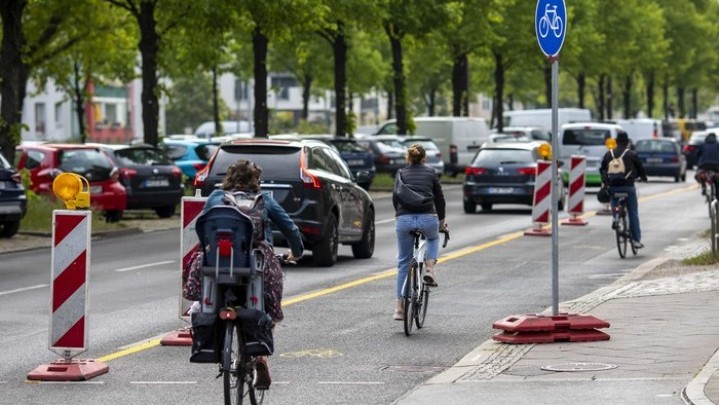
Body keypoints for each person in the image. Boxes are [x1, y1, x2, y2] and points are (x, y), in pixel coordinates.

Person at [202, 159, 303, 390]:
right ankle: (260, 356)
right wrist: (295, 253)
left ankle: (216, 337)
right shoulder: (264, 199)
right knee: (268, 301)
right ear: (256, 180)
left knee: (210, 292)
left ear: (229, 178)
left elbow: (202, 226)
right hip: (257, 262)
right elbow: (290, 228)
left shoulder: (216, 198)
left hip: (219, 263)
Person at [392, 144, 447, 321]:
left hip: (404, 219)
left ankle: (399, 309)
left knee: (403, 263)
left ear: (408, 158)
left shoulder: (400, 172)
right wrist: (442, 222)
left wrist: (399, 215)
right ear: (424, 158)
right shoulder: (431, 173)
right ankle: (429, 269)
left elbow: (396, 197)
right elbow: (440, 198)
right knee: (432, 238)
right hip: (427, 217)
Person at [599, 131, 648, 249]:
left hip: (613, 187)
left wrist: (606, 182)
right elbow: (640, 169)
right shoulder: (632, 154)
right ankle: (636, 241)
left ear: (616, 142)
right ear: (627, 142)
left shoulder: (608, 154)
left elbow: (602, 169)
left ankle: (615, 216)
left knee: (614, 202)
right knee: (633, 213)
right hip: (628, 187)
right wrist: (644, 178)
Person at [695, 133, 719, 198]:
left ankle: (703, 187)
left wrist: (698, 164)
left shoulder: (702, 145)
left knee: (700, 175)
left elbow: (697, 155)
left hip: (704, 165)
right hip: (716, 166)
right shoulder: (717, 145)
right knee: (717, 180)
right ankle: (717, 194)